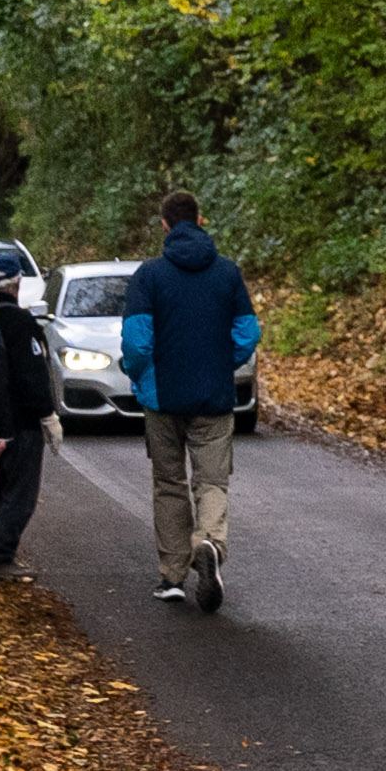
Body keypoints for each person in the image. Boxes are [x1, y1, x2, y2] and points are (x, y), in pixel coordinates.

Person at [120, 192, 257, 610]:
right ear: (200, 220)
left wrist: (138, 373)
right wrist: (221, 364)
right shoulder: (228, 273)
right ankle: (210, 542)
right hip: (214, 398)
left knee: (169, 484)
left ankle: (173, 575)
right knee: (212, 481)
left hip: (162, 400)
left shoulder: (149, 275)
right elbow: (248, 333)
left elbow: (137, 342)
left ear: (164, 224)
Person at [0, 261, 56, 589]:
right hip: (20, 422)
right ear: (17, 283)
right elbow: (32, 375)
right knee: (20, 494)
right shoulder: (20, 322)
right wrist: (47, 414)